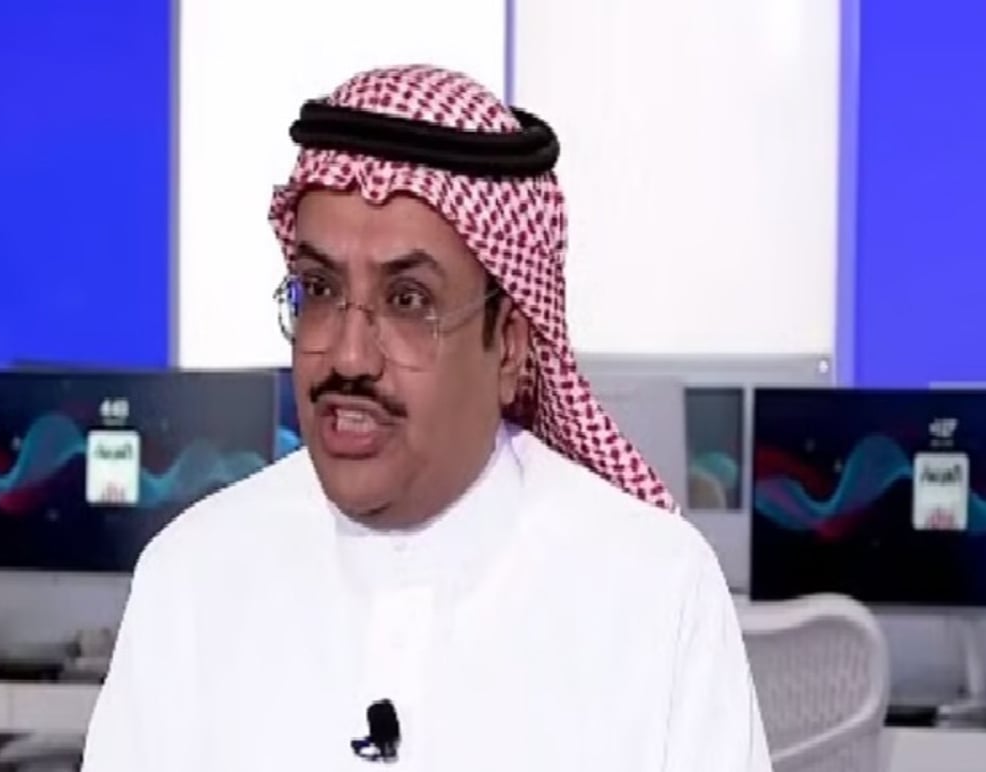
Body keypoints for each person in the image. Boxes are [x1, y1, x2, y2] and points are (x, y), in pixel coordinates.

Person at [81, 64, 771, 771]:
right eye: (319, 290)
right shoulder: (192, 579)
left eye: (409, 301)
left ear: (510, 347)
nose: (349, 356)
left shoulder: (655, 592)